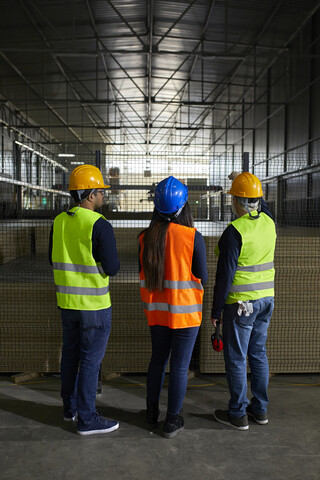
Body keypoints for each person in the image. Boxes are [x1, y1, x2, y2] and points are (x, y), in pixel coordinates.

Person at [49, 164, 120, 436]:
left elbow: (52, 258)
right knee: (90, 362)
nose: (103, 195)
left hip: (67, 304)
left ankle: (70, 408)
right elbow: (112, 267)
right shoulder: (99, 224)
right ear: (89, 194)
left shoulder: (58, 221)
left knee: (70, 355)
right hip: (94, 307)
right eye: (100, 191)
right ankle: (88, 419)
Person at [139, 176, 208, 438]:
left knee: (157, 359)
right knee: (179, 367)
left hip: (157, 312)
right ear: (184, 207)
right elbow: (203, 277)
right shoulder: (192, 238)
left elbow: (143, 273)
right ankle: (172, 420)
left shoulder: (145, 238)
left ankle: (151, 413)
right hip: (186, 315)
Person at [211, 171, 276, 431]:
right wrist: (247, 181)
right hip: (266, 301)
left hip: (240, 305)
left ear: (236, 202)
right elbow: (262, 204)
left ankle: (237, 413)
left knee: (237, 359)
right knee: (258, 354)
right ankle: (259, 409)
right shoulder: (269, 222)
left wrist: (216, 310)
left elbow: (224, 277)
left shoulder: (234, 232)